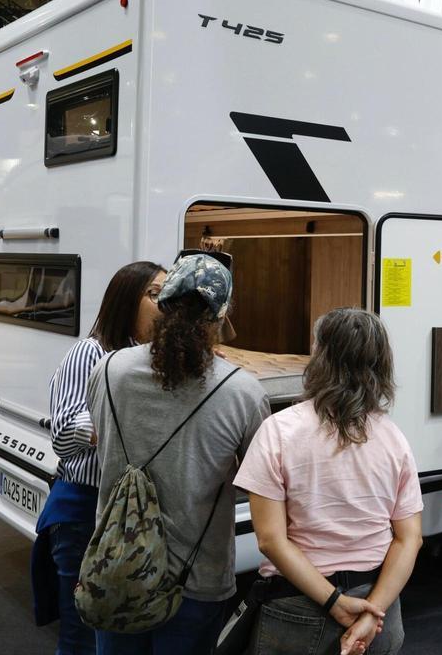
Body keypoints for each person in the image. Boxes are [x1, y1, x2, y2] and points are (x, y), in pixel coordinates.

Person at [87, 253, 271, 654]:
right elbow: (259, 484)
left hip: (116, 567)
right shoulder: (243, 392)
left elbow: (100, 439)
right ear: (221, 315)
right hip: (196, 580)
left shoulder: (109, 369)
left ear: (164, 304)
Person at [236, 308, 423, 655]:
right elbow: (409, 538)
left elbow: (271, 540)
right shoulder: (393, 439)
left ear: (320, 356)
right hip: (378, 609)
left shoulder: (279, 432)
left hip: (299, 607)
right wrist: (372, 613)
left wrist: (335, 603)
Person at [32, 261, 166, 654]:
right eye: (154, 294)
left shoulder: (153, 357)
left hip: (129, 513)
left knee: (119, 630)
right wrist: (120, 417)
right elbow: (62, 436)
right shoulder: (90, 352)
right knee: (83, 634)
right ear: (127, 299)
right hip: (82, 510)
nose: (164, 304)